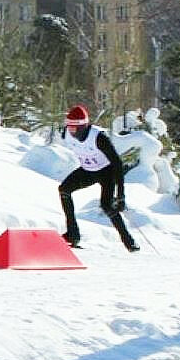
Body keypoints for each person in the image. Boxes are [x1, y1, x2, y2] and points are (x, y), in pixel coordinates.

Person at [57, 104, 139, 252]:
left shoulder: (99, 138)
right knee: (64, 190)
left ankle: (129, 243)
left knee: (107, 205)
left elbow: (117, 164)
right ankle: (73, 234)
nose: (70, 131)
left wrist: (120, 195)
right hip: (88, 171)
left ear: (83, 127)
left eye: (74, 128)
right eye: (68, 127)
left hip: (107, 172)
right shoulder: (67, 133)